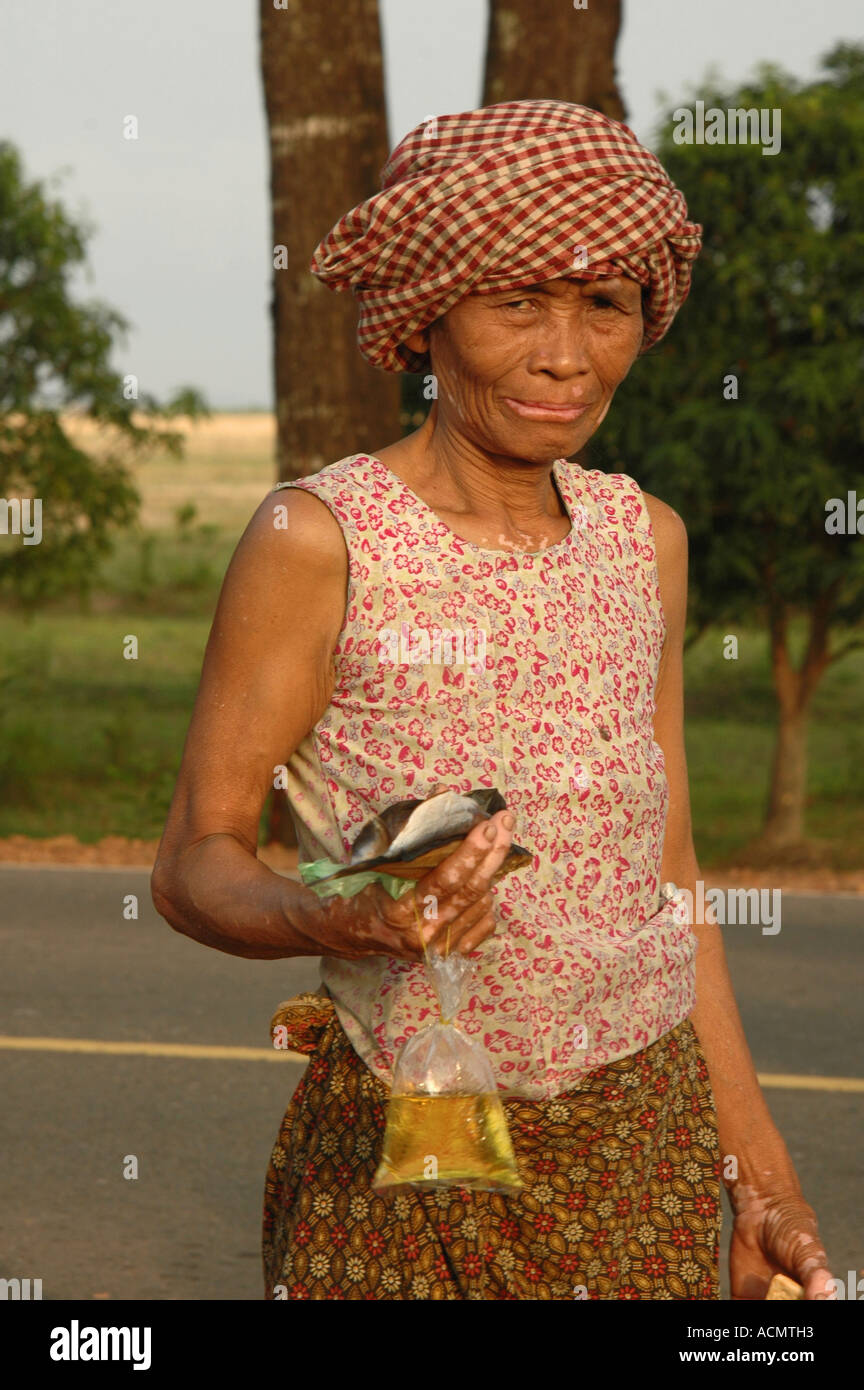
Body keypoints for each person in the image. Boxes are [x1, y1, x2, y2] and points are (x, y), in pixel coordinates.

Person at [151, 99, 833, 1302]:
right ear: (427, 317)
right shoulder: (319, 539)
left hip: (645, 1157)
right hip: (412, 1152)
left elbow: (667, 882)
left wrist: (760, 1176)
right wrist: (344, 918)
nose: (567, 355)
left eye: (605, 305)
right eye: (518, 302)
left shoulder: (643, 543)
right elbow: (196, 861)